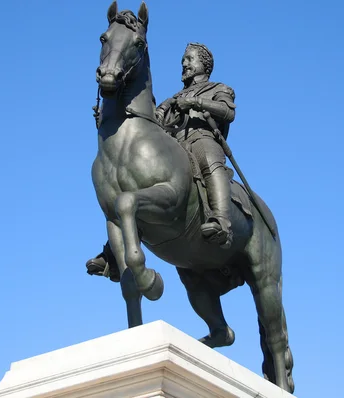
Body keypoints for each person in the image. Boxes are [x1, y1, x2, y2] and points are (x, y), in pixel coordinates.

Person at [87, 42, 237, 280]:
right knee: (136, 182)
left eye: (189, 59)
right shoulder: (172, 99)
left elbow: (228, 111)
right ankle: (113, 254)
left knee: (208, 157)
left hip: (201, 139)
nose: (184, 64)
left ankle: (221, 221)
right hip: (173, 145)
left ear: (204, 65)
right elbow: (153, 120)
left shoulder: (218, 88)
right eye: (183, 61)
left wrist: (196, 103)